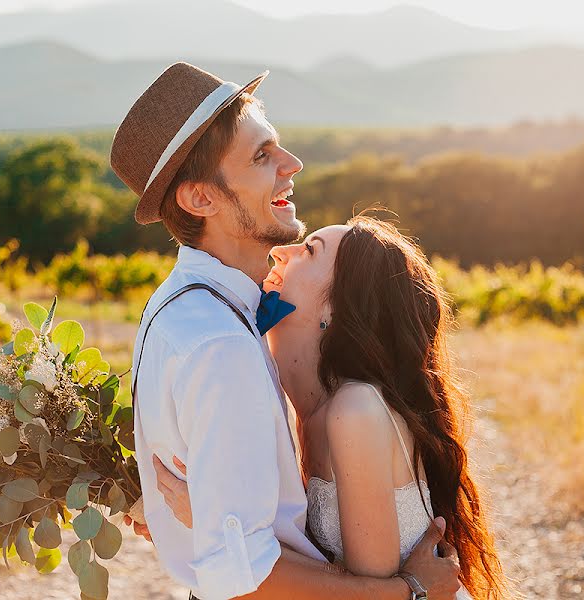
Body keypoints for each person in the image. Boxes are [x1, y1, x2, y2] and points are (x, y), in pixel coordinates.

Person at [110, 62, 461, 600]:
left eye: (278, 146)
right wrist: (411, 589)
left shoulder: (188, 311)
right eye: (261, 155)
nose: (292, 163)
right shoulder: (220, 344)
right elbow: (243, 574)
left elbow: (246, 526)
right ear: (201, 198)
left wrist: (201, 512)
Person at [152, 218, 509, 599]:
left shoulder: (355, 411)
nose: (279, 252)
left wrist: (212, 522)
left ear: (336, 309)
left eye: (308, 250)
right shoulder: (299, 408)